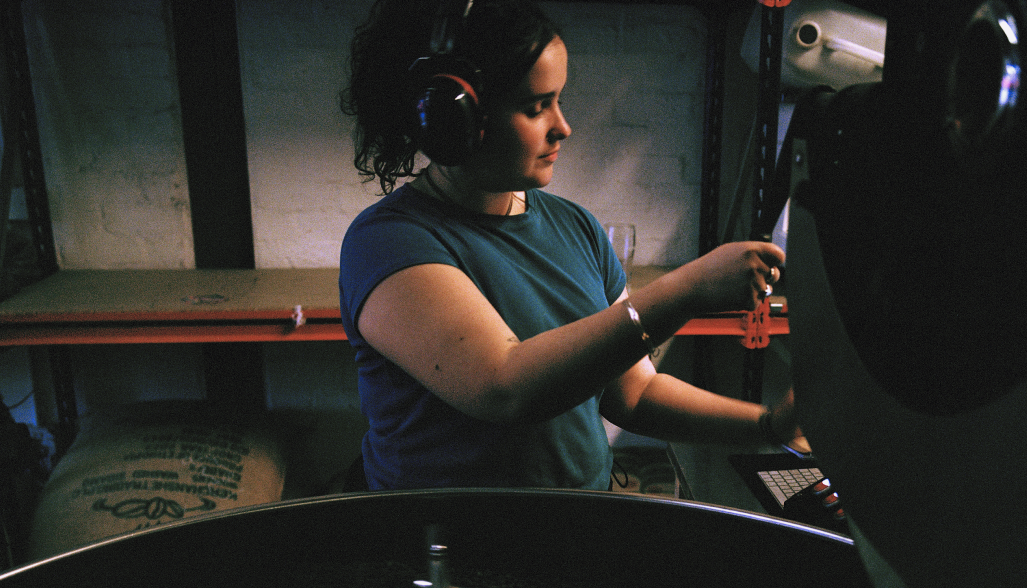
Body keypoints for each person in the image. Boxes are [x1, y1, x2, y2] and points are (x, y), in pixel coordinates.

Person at [339, 0, 797, 491]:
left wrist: (767, 425)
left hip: (577, 534)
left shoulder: (576, 226)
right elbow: (505, 386)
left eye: (558, 101)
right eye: (536, 107)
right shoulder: (389, 241)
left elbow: (633, 393)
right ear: (454, 119)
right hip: (450, 547)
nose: (563, 126)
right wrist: (687, 289)